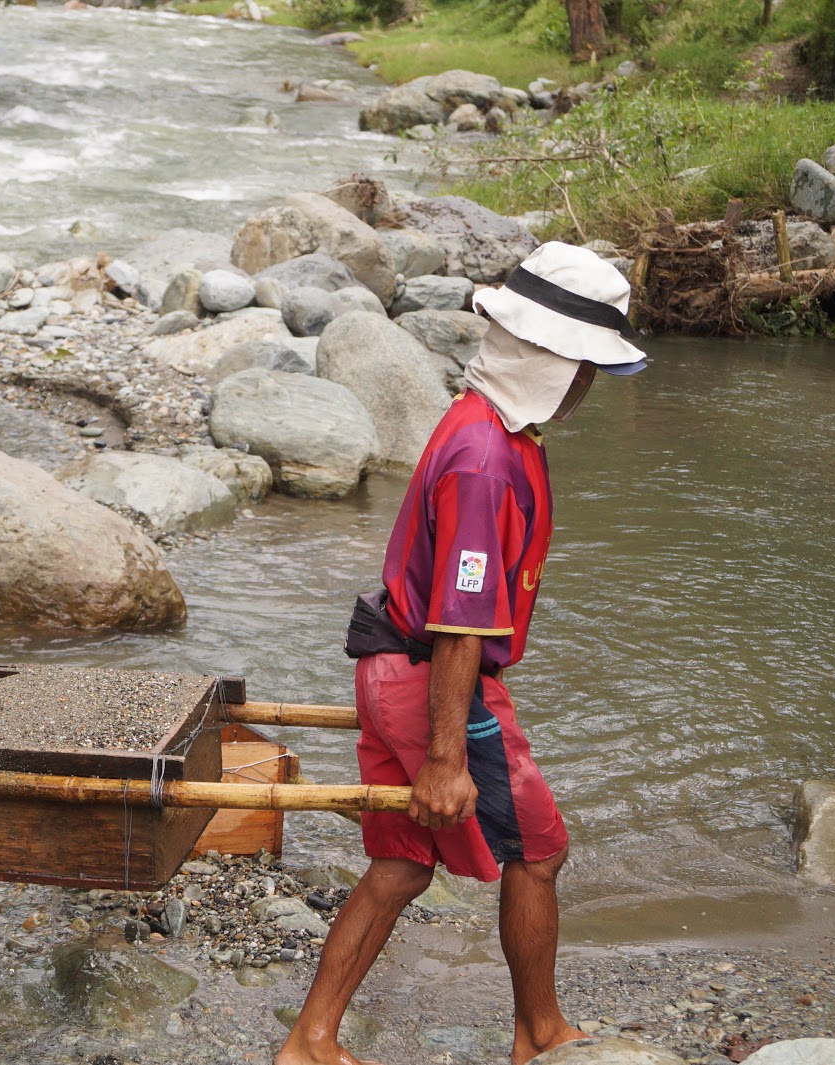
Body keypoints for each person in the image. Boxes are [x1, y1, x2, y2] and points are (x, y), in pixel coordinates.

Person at [277, 243, 649, 1065]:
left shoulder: (489, 424)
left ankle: (310, 1040)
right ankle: (539, 1031)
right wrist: (447, 757)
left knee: (404, 862)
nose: (588, 382)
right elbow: (459, 621)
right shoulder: (486, 459)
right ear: (550, 359)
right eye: (583, 363)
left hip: (391, 667)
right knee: (540, 848)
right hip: (434, 680)